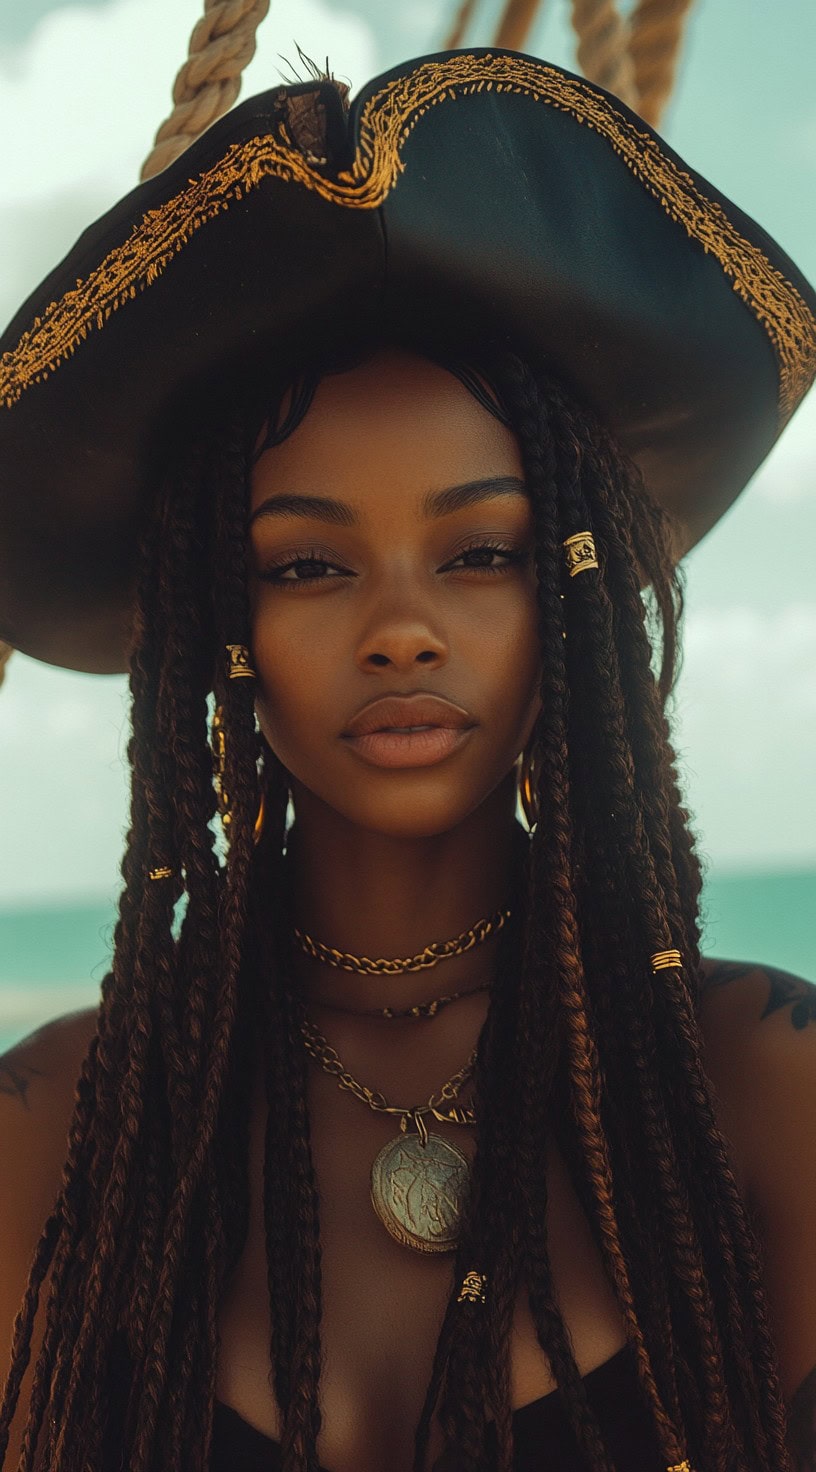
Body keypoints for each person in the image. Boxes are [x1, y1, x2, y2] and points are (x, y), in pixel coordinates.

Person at [0, 45, 815, 1472]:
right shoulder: (57, 1134)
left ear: (571, 586)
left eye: (482, 552)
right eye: (310, 563)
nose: (400, 631)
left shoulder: (761, 1088)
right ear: (216, 613)